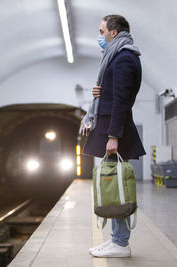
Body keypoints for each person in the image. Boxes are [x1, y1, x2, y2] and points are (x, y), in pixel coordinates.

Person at [82, 14, 146, 257]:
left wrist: (113, 136)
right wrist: (101, 91)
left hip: (114, 130)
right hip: (111, 127)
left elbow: (121, 100)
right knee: (114, 186)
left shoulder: (124, 58)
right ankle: (117, 240)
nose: (100, 36)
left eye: (101, 32)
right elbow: (115, 93)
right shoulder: (118, 57)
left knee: (116, 187)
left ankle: (120, 243)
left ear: (114, 33)